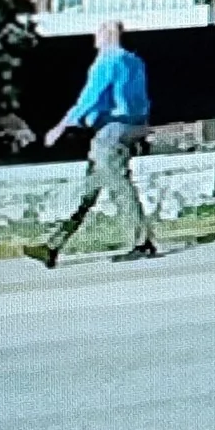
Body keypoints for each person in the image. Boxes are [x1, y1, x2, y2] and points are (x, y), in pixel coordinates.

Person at [26, 20, 158, 268]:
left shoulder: (106, 62)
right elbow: (137, 98)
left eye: (98, 34)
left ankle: (142, 243)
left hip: (111, 131)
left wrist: (62, 126)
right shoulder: (135, 61)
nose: (95, 39)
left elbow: (90, 97)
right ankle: (52, 245)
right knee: (90, 189)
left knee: (119, 186)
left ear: (107, 36)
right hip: (132, 127)